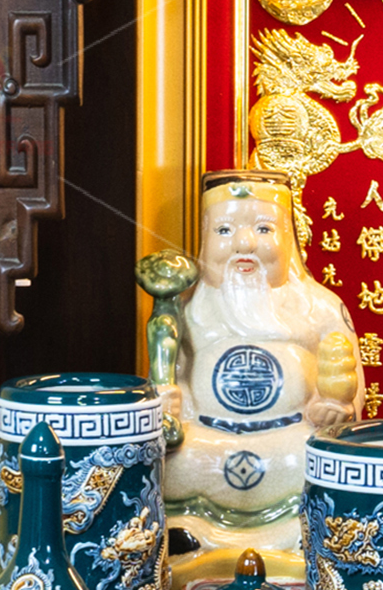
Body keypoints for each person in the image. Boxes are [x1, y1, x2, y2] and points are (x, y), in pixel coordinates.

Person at [148, 171, 363, 569]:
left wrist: (336, 408)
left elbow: (351, 391)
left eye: (264, 229)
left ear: (288, 238)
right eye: (225, 230)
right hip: (207, 443)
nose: (244, 244)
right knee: (171, 460)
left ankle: (286, 537)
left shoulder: (320, 307)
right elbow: (171, 378)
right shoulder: (186, 308)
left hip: (290, 442)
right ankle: (214, 536)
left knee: (318, 458)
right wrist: (171, 401)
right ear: (205, 237)